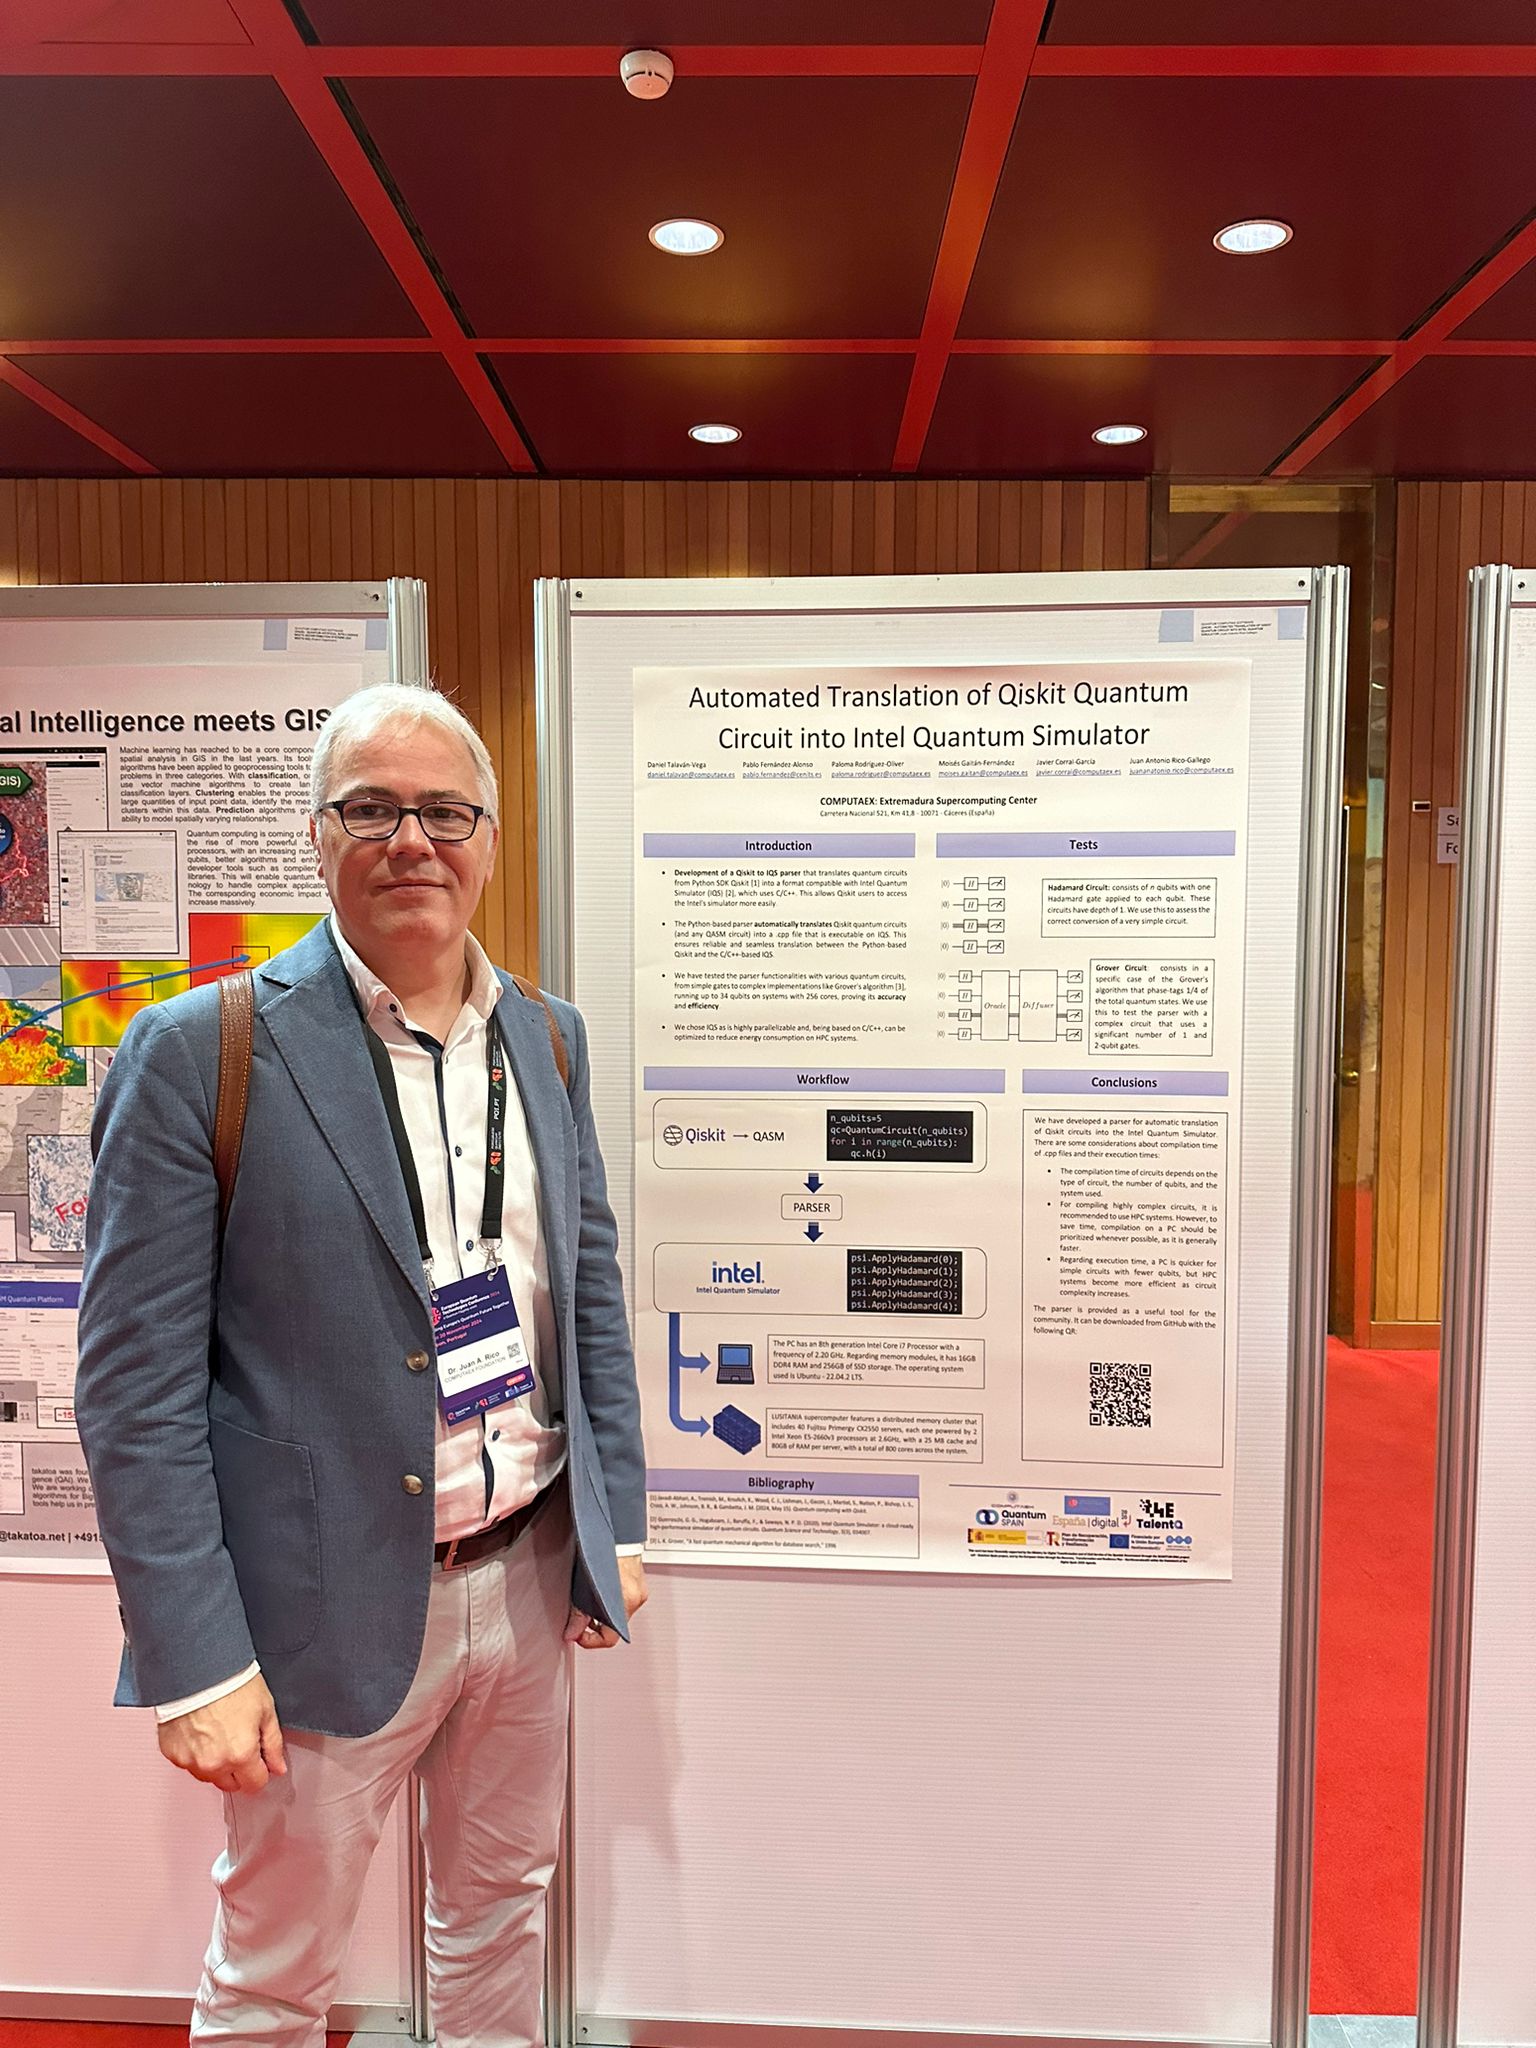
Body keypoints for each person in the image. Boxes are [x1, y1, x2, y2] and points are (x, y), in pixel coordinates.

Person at [75, 680, 647, 2048]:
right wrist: (194, 1662)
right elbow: (135, 1393)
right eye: (372, 808)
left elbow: (587, 1297)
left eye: (444, 811)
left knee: (501, 1918)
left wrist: (612, 1525)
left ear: (488, 841)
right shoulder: (200, 1050)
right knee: (277, 1972)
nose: (411, 840)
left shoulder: (547, 1039)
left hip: (524, 1577)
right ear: (317, 835)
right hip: (316, 1603)